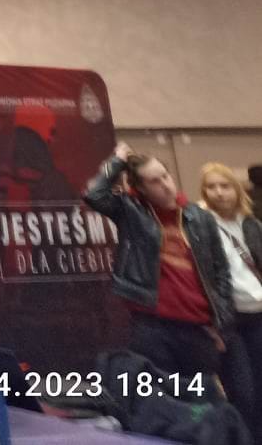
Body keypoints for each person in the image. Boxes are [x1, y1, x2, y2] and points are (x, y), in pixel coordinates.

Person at [84, 144, 234, 403]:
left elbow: (221, 273)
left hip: (198, 329)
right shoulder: (132, 212)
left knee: (205, 404)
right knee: (166, 404)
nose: (165, 185)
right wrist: (117, 161)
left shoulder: (199, 217)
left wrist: (220, 323)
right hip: (153, 327)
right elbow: (95, 194)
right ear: (140, 188)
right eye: (155, 181)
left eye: (165, 176)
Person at [200, 162, 262, 437]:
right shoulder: (201, 226)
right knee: (242, 391)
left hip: (258, 312)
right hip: (228, 319)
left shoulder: (251, 223)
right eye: (211, 187)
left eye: (225, 186)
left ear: (237, 189)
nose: (219, 192)